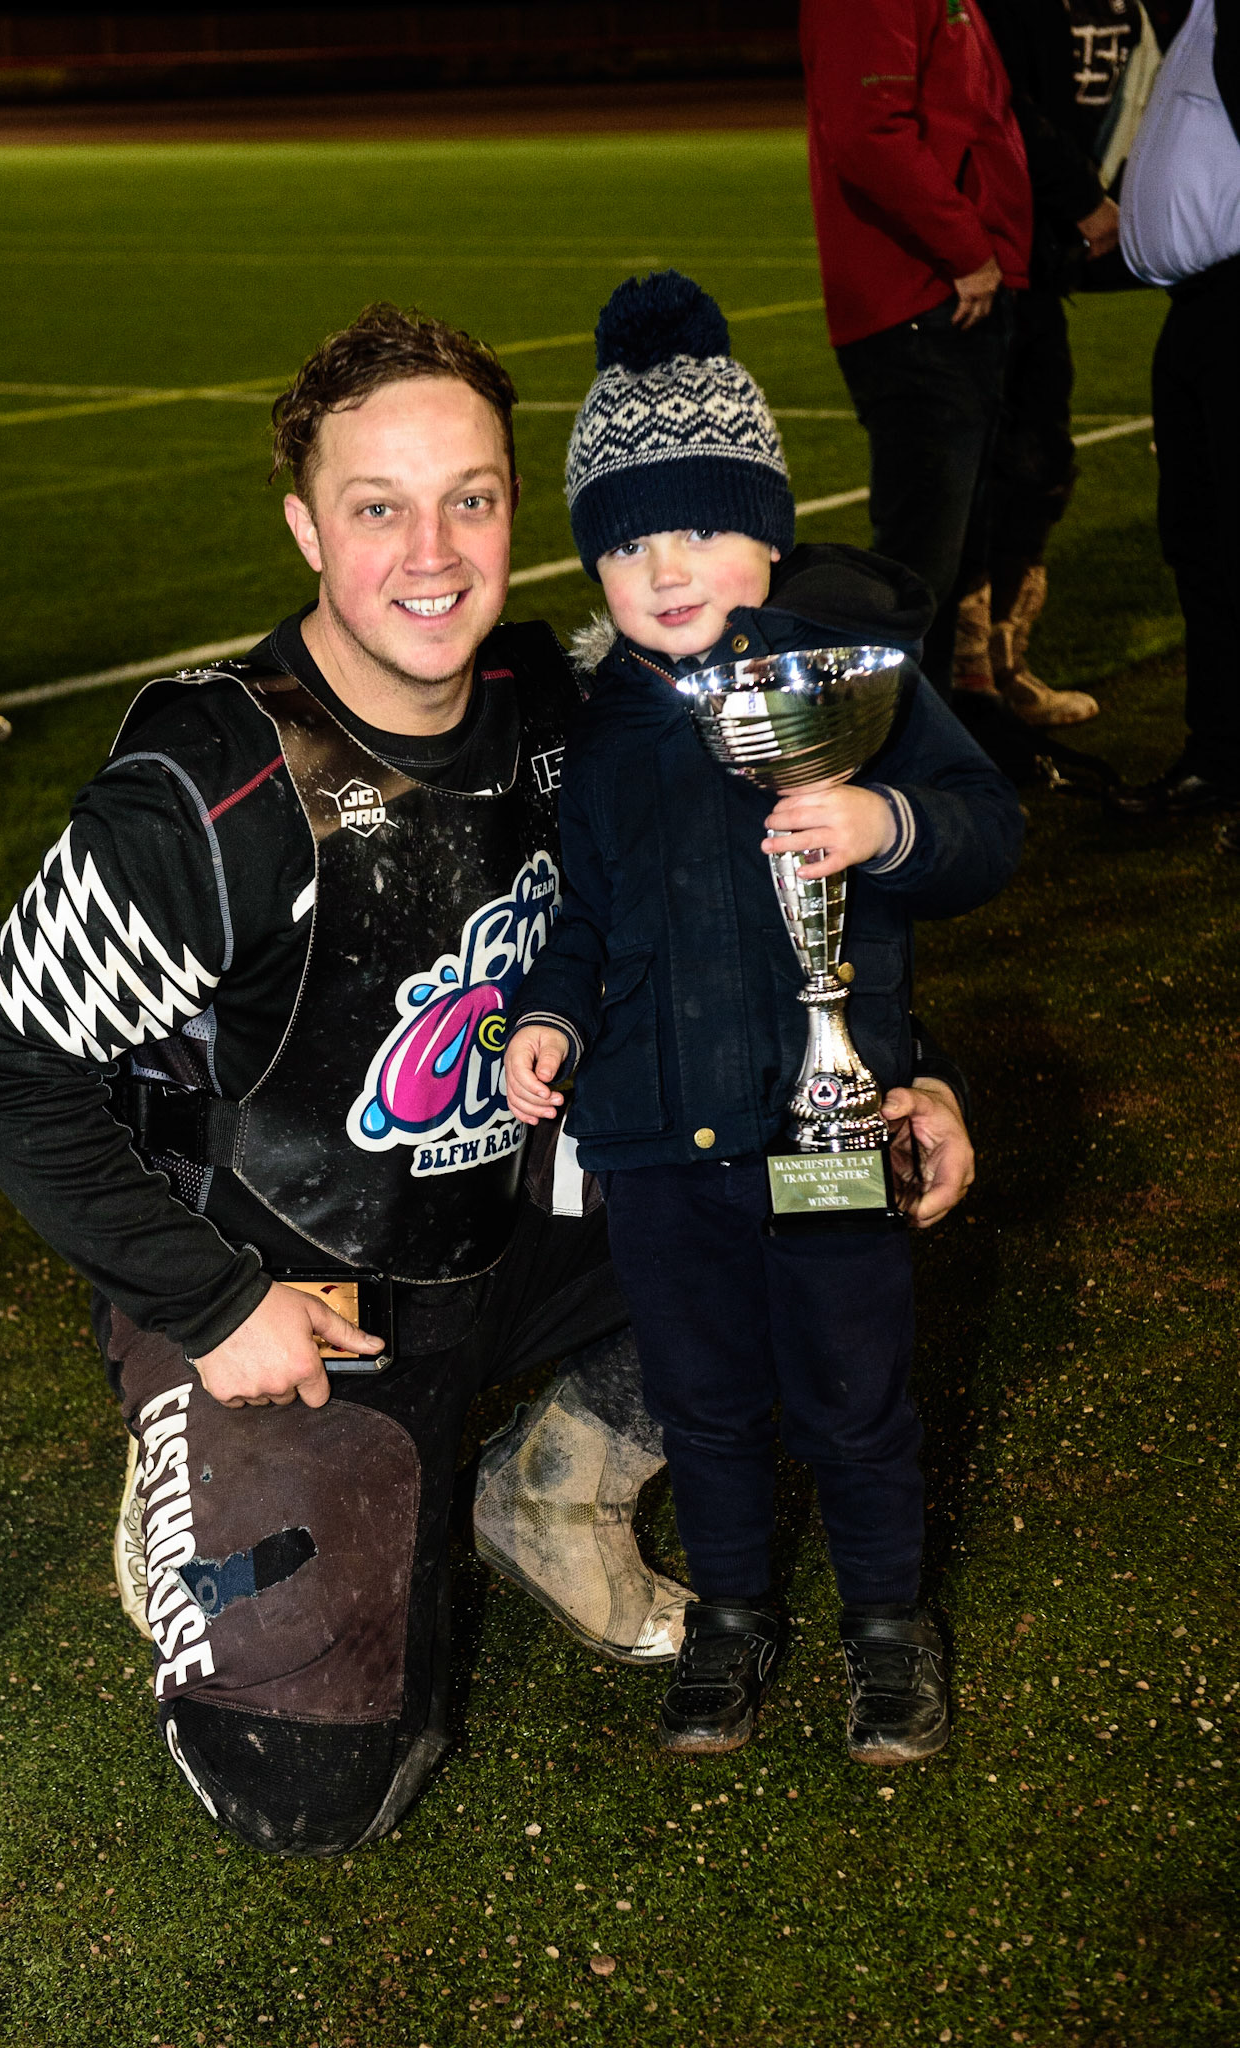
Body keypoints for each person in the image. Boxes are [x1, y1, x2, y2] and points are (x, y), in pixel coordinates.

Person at [0, 304, 699, 1857]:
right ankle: (188, 1448)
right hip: (291, 1286)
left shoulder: (559, 709)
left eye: (468, 498)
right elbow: (0, 1073)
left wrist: (906, 1078)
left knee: (832, 1171)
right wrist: (213, 1308)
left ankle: (557, 1489)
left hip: (508, 1215)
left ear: (512, 503)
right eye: (376, 508)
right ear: (304, 529)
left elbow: (736, 923)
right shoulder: (212, 787)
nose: (432, 553)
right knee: (307, 1790)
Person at [504, 274, 1024, 1765]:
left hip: (825, 1123)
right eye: (625, 541)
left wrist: (883, 822)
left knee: (855, 1391)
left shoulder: (844, 677)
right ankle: (731, 1612)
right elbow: (583, 915)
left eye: (699, 527)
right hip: (655, 1146)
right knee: (704, 1400)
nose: (664, 567)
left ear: (770, 530)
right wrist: (552, 1020)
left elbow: (984, 827)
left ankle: (886, 1623)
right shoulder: (597, 728)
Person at [798, 0, 1033, 701]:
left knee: (945, 565)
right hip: (919, 297)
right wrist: (966, 246)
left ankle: (941, 741)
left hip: (942, 295)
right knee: (917, 576)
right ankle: (896, 752)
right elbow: (868, 131)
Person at [953, 0, 1157, 729]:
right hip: (997, 247)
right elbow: (1000, 100)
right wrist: (1084, 198)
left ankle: (1004, 665)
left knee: (1041, 463)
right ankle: (969, 675)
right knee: (985, 466)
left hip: (1045, 256)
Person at [1113, 0, 1240, 836]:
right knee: (1198, 544)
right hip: (1198, 314)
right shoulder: (1199, 13)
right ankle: (1219, 756)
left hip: (1231, 311)